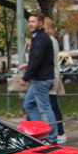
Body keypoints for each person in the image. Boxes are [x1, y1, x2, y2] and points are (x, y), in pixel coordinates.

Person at [18, 13, 57, 144]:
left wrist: (25, 77)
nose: (30, 24)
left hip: (41, 79)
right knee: (29, 105)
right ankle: (39, 134)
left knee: (45, 108)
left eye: (33, 21)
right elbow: (38, 59)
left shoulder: (41, 38)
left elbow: (37, 60)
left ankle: (51, 137)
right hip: (39, 79)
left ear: (41, 23)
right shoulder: (38, 38)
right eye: (29, 21)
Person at [43, 17, 67, 144]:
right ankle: (59, 132)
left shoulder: (48, 40)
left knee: (50, 105)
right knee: (51, 105)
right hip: (51, 73)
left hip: (48, 74)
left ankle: (58, 132)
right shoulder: (52, 40)